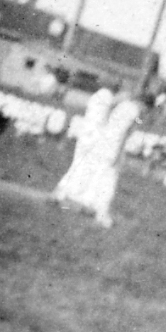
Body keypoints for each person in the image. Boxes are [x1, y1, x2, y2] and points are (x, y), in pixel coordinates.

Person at [51, 86, 141, 227]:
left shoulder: (113, 102)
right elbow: (125, 132)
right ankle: (99, 211)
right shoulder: (130, 109)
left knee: (86, 168)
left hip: (97, 140)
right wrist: (119, 154)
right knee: (107, 176)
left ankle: (65, 194)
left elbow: (109, 116)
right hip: (108, 145)